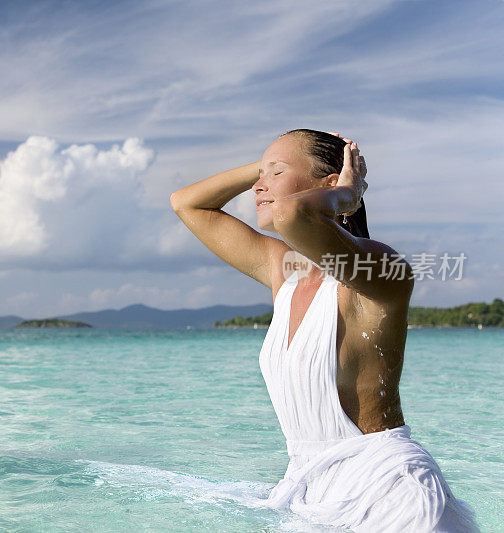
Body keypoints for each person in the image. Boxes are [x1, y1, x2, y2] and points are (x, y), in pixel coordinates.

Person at [170, 129, 478, 532]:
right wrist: (265, 170)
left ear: (331, 186)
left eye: (276, 173)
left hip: (389, 492)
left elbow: (292, 215)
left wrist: (349, 191)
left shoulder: (379, 271)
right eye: (259, 175)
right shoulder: (286, 272)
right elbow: (188, 204)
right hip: (307, 489)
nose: (258, 186)